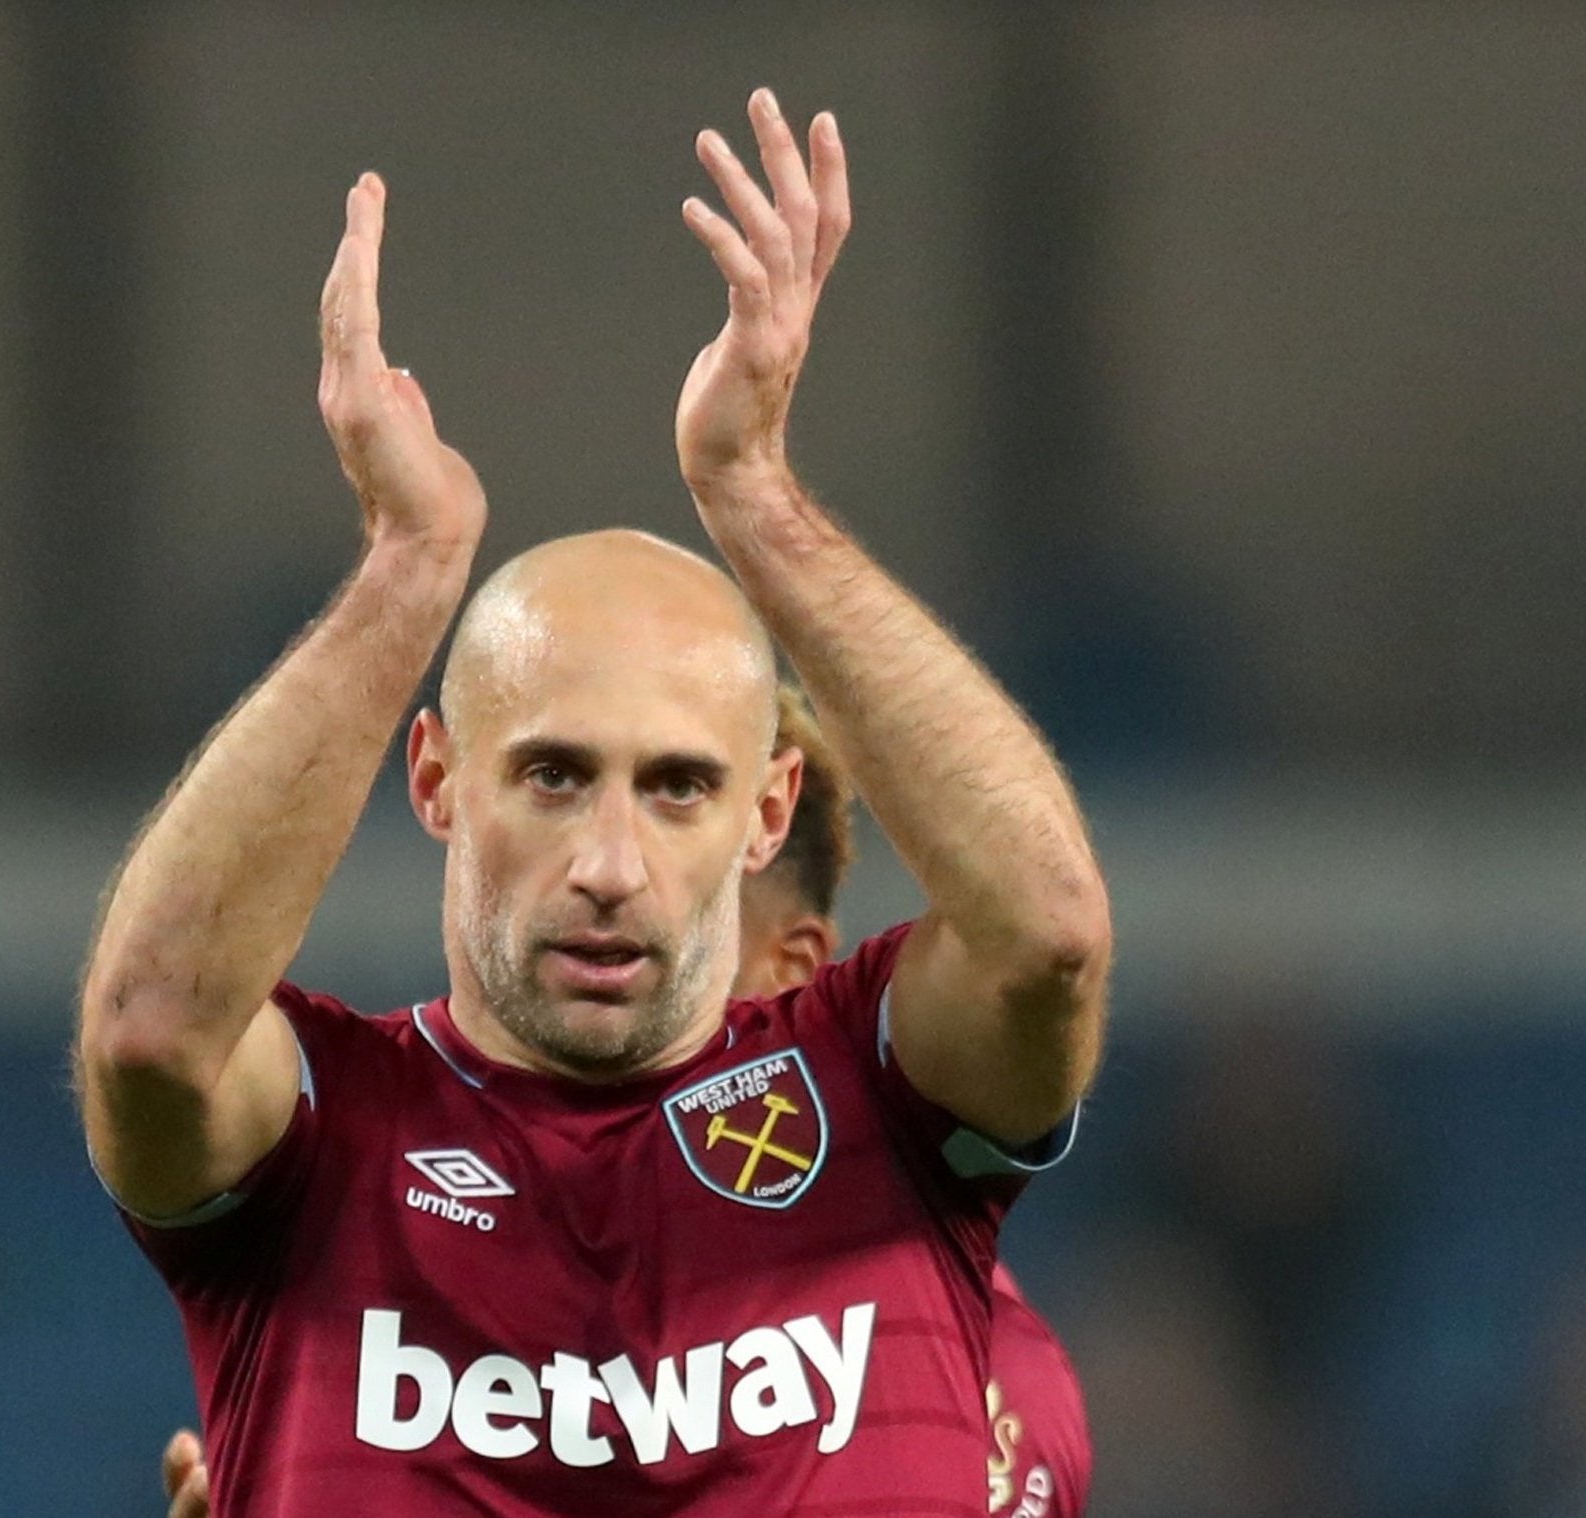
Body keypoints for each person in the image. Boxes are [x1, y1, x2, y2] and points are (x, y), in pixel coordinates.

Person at [78, 88, 1111, 1516]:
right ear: (436, 779)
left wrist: (752, 493)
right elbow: (150, 1034)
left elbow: (1046, 936)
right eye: (553, 774)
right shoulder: (323, 1148)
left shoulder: (880, 1113)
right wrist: (406, 571)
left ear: (766, 816)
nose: (610, 862)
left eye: (679, 786)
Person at [148, 689, 1094, 1518]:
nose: (613, 891)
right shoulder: (427, 1268)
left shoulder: (975, 1379)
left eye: (699, 924)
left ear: (790, 970)